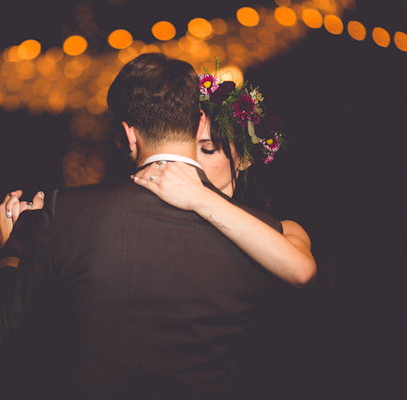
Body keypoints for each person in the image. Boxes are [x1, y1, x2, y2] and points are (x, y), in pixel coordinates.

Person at [0, 53, 297, 399]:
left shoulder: (68, 212)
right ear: (197, 123)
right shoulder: (268, 235)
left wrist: (11, 252)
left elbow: (10, 349)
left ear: (129, 135)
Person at [133, 72, 316, 288]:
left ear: (244, 159)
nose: (191, 161)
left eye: (207, 149)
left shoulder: (285, 229)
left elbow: (302, 271)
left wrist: (199, 196)